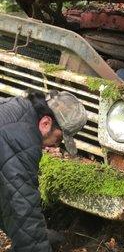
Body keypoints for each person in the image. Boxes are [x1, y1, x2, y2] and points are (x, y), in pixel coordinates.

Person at [0, 90, 88, 252]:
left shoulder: (15, 109)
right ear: (46, 123)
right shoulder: (21, 141)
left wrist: (38, 235)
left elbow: (6, 197)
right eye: (59, 138)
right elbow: (22, 205)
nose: (56, 146)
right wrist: (37, 245)